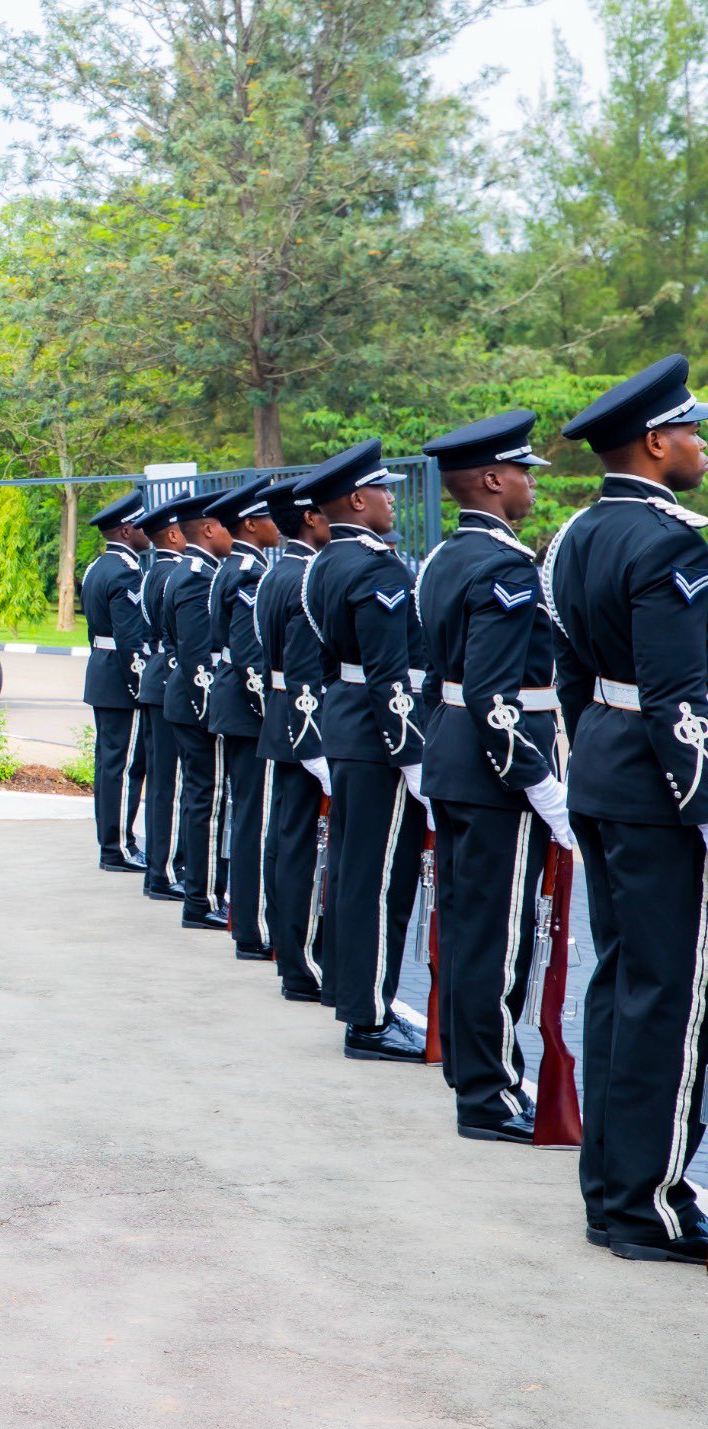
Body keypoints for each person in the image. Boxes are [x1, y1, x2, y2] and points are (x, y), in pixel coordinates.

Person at [546, 356, 708, 1262]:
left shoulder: (573, 537)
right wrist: (703, 805)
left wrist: (592, 759)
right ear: (654, 443)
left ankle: (613, 1195)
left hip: (607, 775)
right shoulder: (675, 542)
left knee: (620, 987)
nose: (699, 447)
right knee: (672, 995)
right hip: (661, 792)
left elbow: (572, 670)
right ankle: (653, 1204)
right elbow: (682, 697)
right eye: (691, 432)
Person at [415, 411, 573, 1146]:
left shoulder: (446, 557)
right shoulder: (504, 565)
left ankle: (471, 1076)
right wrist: (540, 784)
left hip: (454, 762)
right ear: (489, 479)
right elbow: (493, 695)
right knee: (495, 938)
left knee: (472, 929)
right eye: (522, 471)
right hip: (493, 775)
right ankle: (487, 1093)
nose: (530, 482)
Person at [297, 439, 430, 1062]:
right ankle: (370, 1019)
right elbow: (389, 675)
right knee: (380, 881)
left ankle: (354, 999)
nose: (389, 502)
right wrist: (412, 754)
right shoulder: (378, 568)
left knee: (354, 872)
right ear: (357, 498)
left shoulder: (323, 562)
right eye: (383, 491)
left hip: (347, 726)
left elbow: (331, 661)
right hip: (381, 739)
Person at [253, 477, 332, 1004]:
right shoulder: (306, 578)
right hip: (305, 723)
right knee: (302, 848)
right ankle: (302, 964)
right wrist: (316, 745)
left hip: (280, 717)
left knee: (285, 843)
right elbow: (305, 670)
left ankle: (289, 950)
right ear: (309, 517)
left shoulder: (276, 574)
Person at [203, 478, 280, 957]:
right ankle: (252, 929)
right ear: (251, 524)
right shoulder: (249, 574)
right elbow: (252, 657)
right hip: (249, 709)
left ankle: (245, 922)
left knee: (247, 815)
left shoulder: (236, 567)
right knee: (255, 819)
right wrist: (273, 714)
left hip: (233, 704)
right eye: (269, 516)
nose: (279, 523)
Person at [163, 492, 229, 930]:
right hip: (194, 704)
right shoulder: (196, 578)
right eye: (226, 524)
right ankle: (200, 901)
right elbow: (194, 654)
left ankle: (202, 893)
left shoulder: (197, 571)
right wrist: (210, 712)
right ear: (208, 529)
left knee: (201, 798)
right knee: (206, 800)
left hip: (186, 702)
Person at [78, 490, 150, 874]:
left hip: (101, 673)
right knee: (124, 768)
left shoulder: (95, 568)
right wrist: (141, 685)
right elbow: (130, 638)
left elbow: (94, 632)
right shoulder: (126, 571)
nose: (147, 532)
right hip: (123, 680)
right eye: (141, 525)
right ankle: (118, 847)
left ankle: (111, 843)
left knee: (108, 765)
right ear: (126, 530)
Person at [133, 494, 188, 902]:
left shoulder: (154, 571)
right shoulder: (174, 574)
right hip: (170, 677)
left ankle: (160, 865)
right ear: (172, 533)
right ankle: (164, 872)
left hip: (156, 676)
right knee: (169, 784)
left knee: (162, 781)